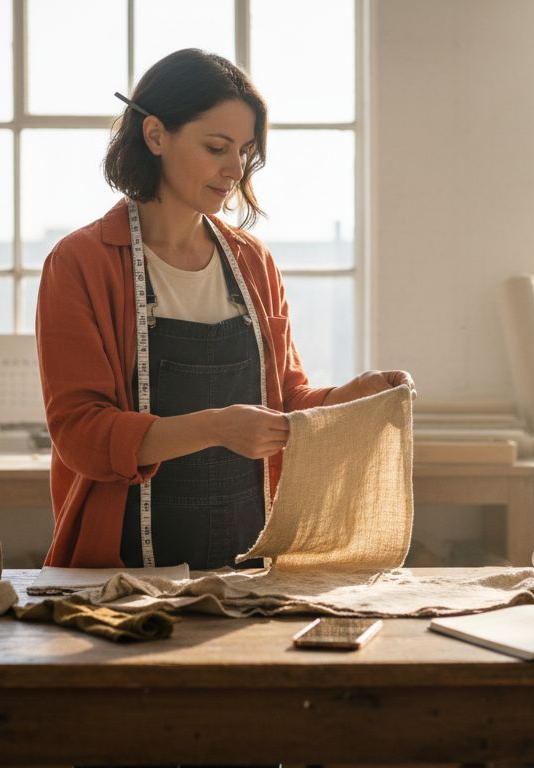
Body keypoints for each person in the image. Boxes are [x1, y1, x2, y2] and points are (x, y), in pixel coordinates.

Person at [36, 49, 414, 570]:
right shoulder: (80, 264)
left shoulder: (253, 263)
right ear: (155, 136)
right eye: (217, 147)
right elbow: (81, 436)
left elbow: (283, 401)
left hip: (247, 564)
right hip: (120, 573)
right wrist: (215, 427)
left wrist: (350, 397)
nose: (235, 169)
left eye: (245, 151)